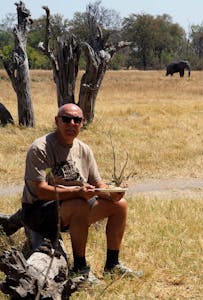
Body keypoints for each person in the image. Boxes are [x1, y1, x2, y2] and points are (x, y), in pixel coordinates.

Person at [19, 103, 141, 279]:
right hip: (38, 213)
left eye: (77, 120)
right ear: (57, 121)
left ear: (82, 123)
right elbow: (40, 191)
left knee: (119, 205)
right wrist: (77, 191)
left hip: (73, 209)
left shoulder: (83, 149)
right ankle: (80, 268)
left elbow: (97, 182)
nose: (72, 124)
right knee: (79, 204)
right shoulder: (40, 148)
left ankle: (112, 265)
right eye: (66, 119)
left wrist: (110, 193)